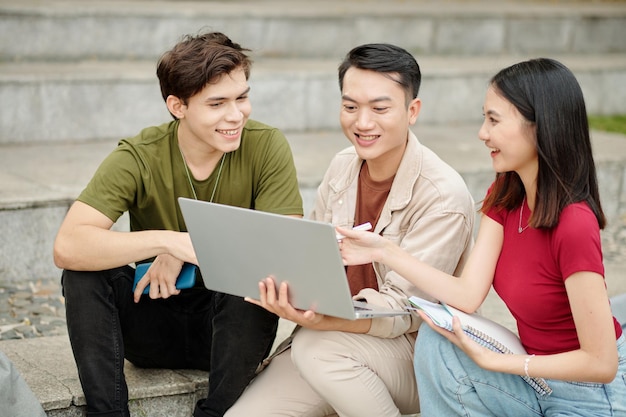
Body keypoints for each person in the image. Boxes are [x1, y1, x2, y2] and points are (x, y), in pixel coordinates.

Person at [338, 57, 626, 416]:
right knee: (438, 339)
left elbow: (601, 363)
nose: (482, 133)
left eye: (493, 120)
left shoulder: (573, 224)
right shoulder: (506, 195)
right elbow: (468, 295)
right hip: (535, 376)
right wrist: (384, 251)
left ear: (540, 126)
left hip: (590, 393)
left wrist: (499, 362)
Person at [53, 31, 303, 417]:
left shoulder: (266, 145)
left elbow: (285, 248)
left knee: (256, 279)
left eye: (242, 98)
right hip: (150, 317)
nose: (236, 114)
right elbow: (68, 245)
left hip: (227, 331)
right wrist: (168, 242)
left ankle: (215, 413)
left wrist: (192, 250)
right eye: (217, 103)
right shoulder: (139, 154)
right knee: (82, 273)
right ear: (177, 105)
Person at [226, 43, 475, 416]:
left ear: (412, 111)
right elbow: (312, 257)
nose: (362, 123)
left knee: (318, 349)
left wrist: (324, 322)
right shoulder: (343, 166)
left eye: (379, 108)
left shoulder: (443, 196)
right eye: (350, 107)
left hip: (418, 355)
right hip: (332, 340)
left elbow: (403, 314)